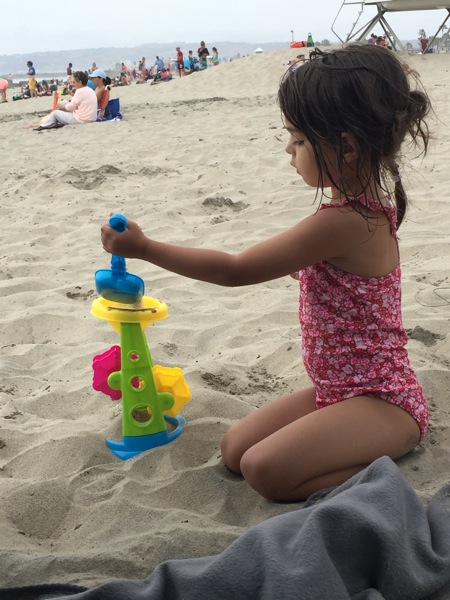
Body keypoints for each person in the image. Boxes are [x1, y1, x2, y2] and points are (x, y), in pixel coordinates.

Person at [101, 44, 431, 502]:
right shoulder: (356, 211)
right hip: (338, 389)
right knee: (235, 449)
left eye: (298, 139)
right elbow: (353, 280)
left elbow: (235, 270)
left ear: (347, 147)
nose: (288, 150)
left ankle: (383, 464)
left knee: (263, 471)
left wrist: (145, 248)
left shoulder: (343, 221)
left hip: (383, 400)